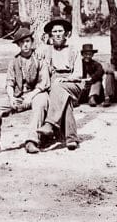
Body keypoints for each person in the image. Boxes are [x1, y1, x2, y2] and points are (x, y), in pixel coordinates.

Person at [0, 25, 50, 152]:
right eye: (22, 42)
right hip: (19, 95)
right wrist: (12, 97)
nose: (25, 45)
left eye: (27, 41)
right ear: (18, 45)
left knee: (41, 104)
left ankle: (32, 141)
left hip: (37, 93)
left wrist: (31, 96)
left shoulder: (39, 58)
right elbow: (9, 82)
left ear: (32, 42)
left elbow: (44, 83)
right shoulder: (14, 61)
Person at [27, 18, 81, 153]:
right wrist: (39, 48)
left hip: (72, 82)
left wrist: (66, 79)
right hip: (53, 82)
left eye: (60, 31)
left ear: (66, 34)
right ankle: (71, 139)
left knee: (60, 88)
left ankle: (50, 124)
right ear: (50, 34)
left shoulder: (74, 50)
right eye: (54, 31)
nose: (57, 34)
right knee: (64, 99)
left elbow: (79, 74)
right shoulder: (46, 50)